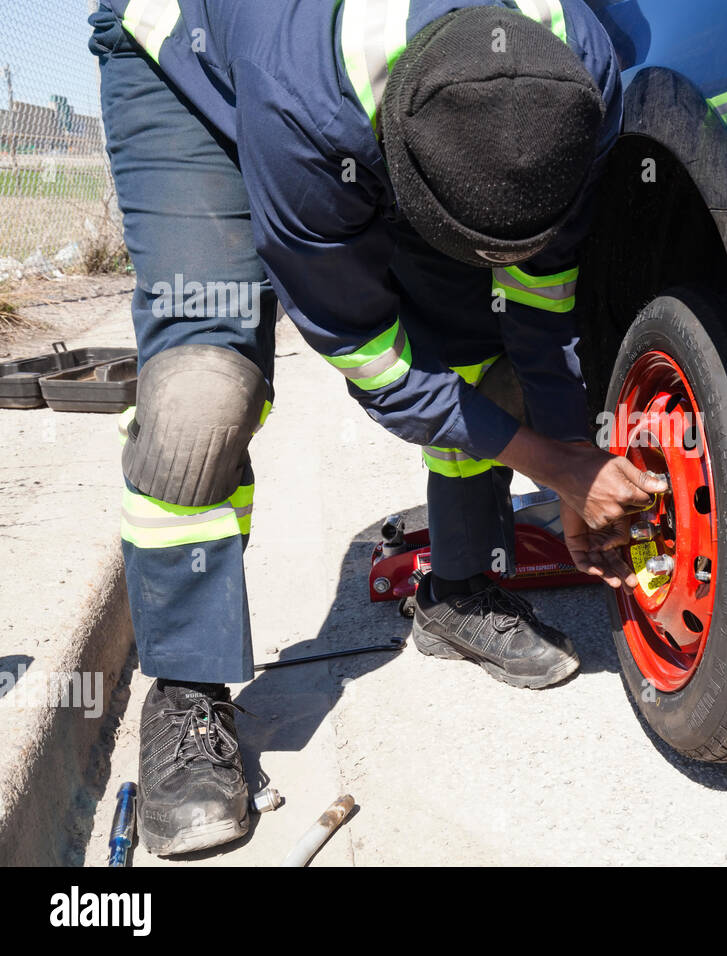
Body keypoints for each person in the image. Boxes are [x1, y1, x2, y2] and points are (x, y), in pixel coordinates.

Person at [88, 0, 661, 856]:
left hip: (396, 97)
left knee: (479, 352)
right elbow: (373, 357)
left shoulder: (587, 64)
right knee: (202, 394)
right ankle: (183, 688)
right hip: (186, 66)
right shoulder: (300, 111)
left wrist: (569, 453)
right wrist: (554, 464)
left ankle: (457, 591)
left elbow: (544, 296)